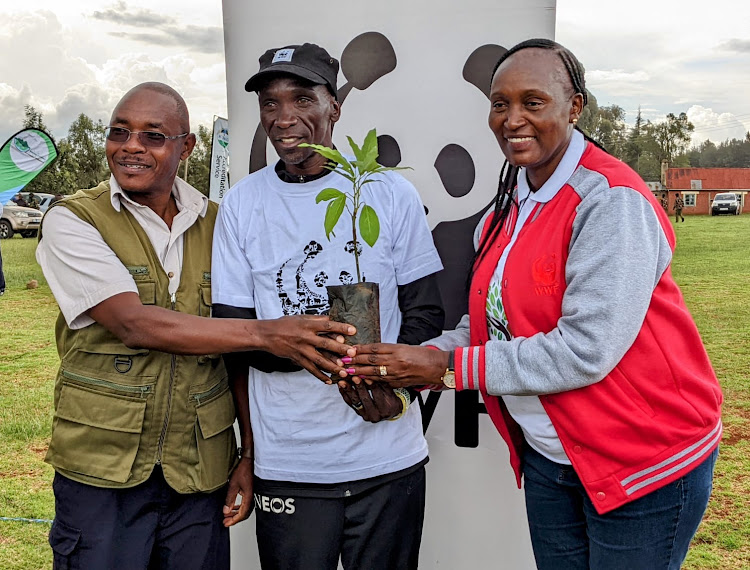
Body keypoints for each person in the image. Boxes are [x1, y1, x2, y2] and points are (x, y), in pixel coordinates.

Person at [345, 39, 722, 570]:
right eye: (500, 104)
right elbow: (486, 325)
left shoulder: (610, 200)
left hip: (642, 459)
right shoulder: (510, 202)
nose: (512, 118)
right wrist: (412, 364)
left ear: (575, 107)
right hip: (553, 456)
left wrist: (446, 368)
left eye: (533, 102)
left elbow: (584, 351)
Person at [36, 81, 355, 570]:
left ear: (187, 147)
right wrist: (270, 333)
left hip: (197, 475)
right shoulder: (75, 219)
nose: (131, 147)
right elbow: (133, 324)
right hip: (103, 468)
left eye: (153, 136)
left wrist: (248, 454)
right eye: (119, 133)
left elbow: (235, 356)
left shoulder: (218, 222)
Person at [211, 43, 445, 569]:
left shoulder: (387, 194)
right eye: (270, 104)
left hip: (388, 456)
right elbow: (235, 333)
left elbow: (428, 312)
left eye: (301, 99)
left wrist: (384, 378)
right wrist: (324, 357)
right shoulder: (242, 205)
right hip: (291, 460)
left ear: (334, 106)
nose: (283, 117)